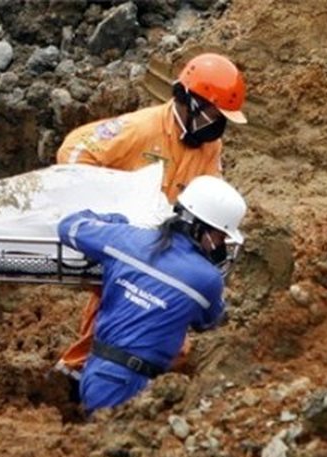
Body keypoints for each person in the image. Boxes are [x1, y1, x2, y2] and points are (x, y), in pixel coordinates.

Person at [53, 53, 246, 385]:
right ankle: (78, 374)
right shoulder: (140, 130)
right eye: (213, 115)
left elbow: (209, 192)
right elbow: (73, 151)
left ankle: (83, 374)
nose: (217, 126)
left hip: (165, 244)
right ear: (188, 101)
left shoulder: (209, 147)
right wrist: (109, 208)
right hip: (130, 238)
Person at [57, 175, 247, 413]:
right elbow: (209, 322)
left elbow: (69, 227)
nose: (219, 245)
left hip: (100, 372)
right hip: (127, 381)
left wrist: (113, 222)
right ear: (199, 227)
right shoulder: (207, 278)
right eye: (220, 236)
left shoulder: (126, 239)